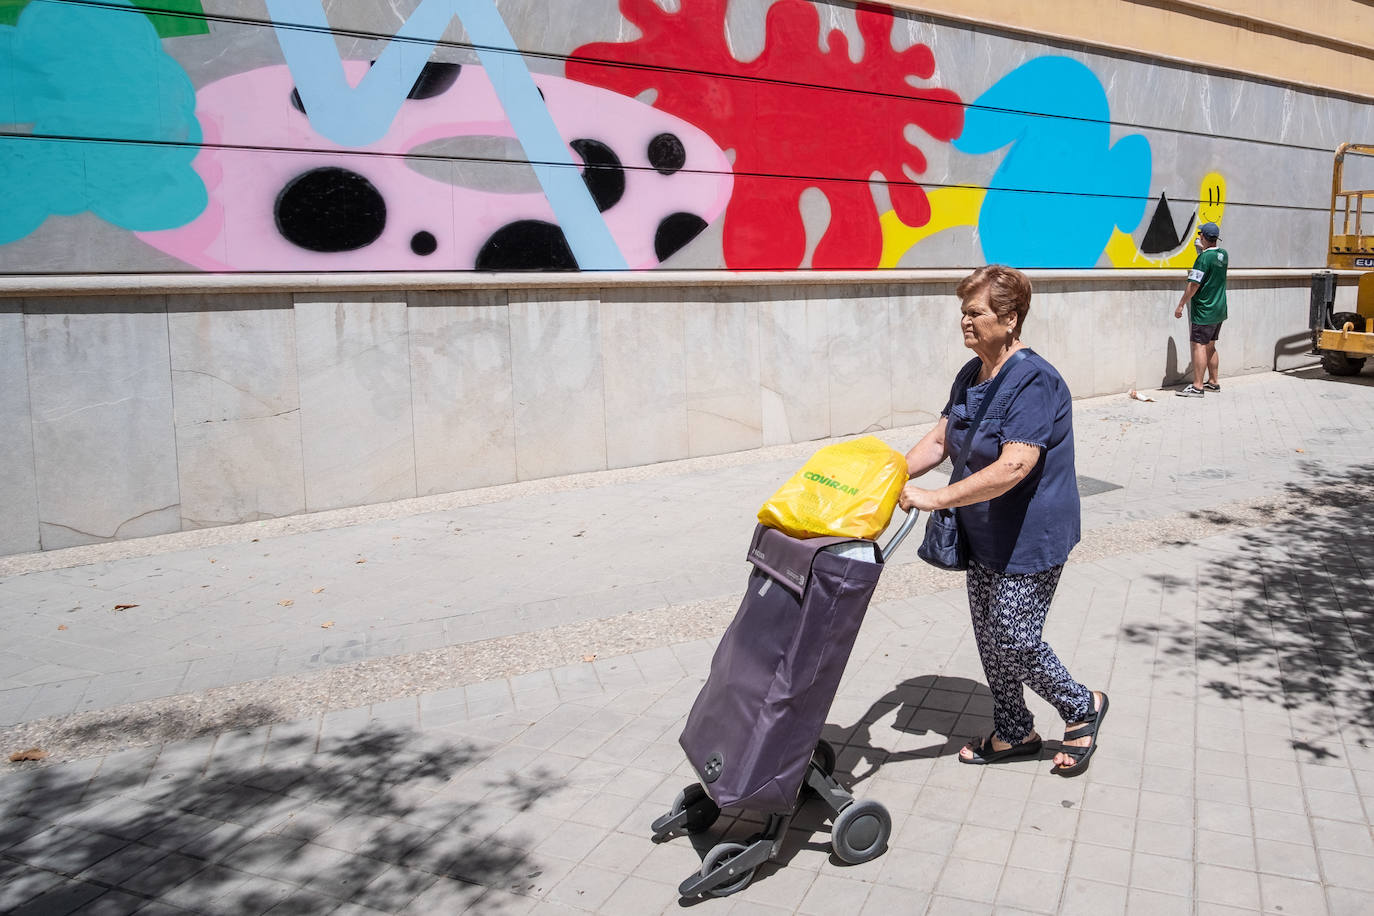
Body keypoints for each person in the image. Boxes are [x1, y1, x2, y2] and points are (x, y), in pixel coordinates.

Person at [899, 264, 1107, 776]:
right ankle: (1014, 729)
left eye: (976, 312)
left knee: (1014, 636)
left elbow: (1015, 464)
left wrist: (936, 497)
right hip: (983, 531)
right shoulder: (971, 374)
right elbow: (941, 440)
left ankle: (1082, 706)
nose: (964, 322)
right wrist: (884, 477)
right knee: (989, 636)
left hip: (1030, 534)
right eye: (963, 312)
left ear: (1010, 318)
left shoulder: (1033, 379)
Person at [1174, 221, 1229, 397]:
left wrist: (1181, 303)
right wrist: (1203, 252)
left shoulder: (1203, 259)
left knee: (1199, 346)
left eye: (1200, 235)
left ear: (1203, 237)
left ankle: (1197, 386)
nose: (1198, 237)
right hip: (1219, 309)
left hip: (1204, 310)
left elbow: (1194, 285)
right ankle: (1213, 382)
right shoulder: (1223, 254)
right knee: (1210, 346)